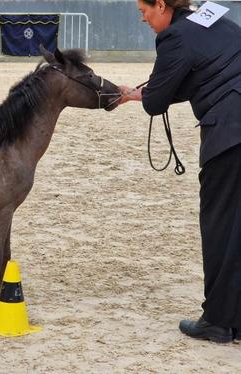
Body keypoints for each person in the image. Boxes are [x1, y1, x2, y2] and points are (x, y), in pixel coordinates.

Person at [118, 0, 241, 343]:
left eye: (144, 10)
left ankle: (217, 322)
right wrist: (145, 93)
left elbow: (158, 101)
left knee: (219, 225)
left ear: (161, 5)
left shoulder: (175, 37)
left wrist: (146, 94)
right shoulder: (212, 19)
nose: (142, 18)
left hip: (231, 132)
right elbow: (204, 71)